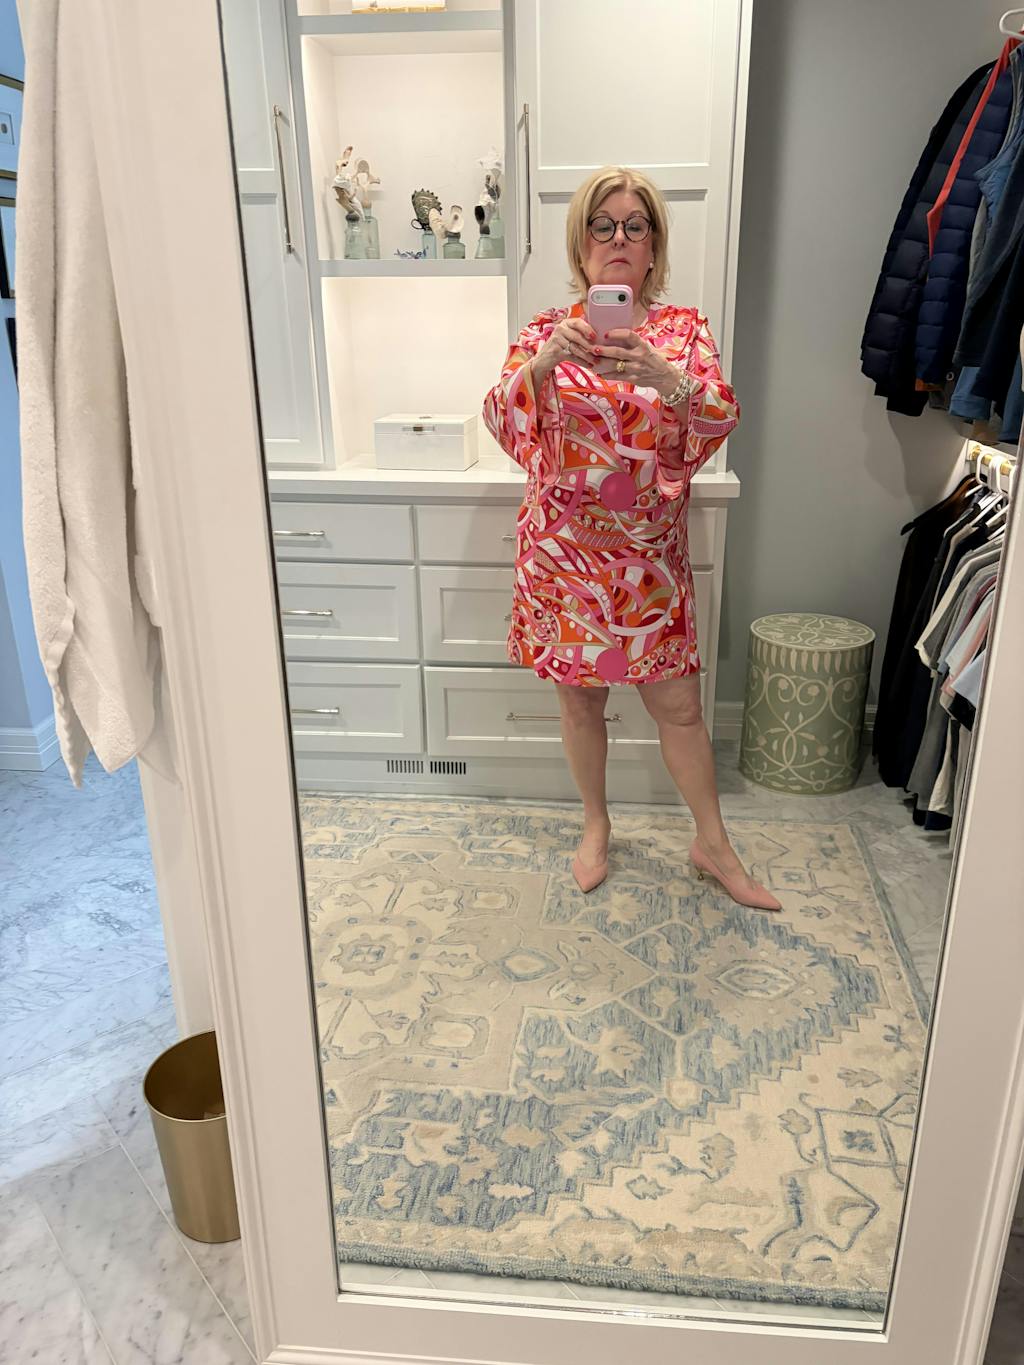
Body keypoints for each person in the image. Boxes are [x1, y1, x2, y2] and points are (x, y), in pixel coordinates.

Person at [482, 165, 781, 912]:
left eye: (635, 225)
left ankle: (713, 844)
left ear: (653, 246)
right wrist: (544, 366)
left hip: (648, 564)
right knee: (581, 706)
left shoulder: (683, 333)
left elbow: (718, 417)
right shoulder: (546, 333)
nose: (618, 238)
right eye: (602, 224)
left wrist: (663, 375)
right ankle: (596, 825)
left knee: (679, 709)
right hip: (565, 558)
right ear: (581, 242)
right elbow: (500, 419)